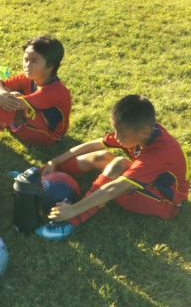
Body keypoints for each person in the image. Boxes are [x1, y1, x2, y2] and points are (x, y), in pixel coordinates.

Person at [36, 95, 189, 240]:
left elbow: (114, 189)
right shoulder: (140, 132)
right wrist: (53, 162)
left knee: (118, 165)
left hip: (165, 203)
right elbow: (95, 144)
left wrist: (74, 209)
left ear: (145, 132)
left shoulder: (159, 153)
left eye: (121, 134)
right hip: (151, 180)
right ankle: (42, 176)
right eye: (115, 131)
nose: (116, 137)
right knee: (101, 156)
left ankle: (70, 222)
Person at [0, 36, 71, 155]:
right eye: (25, 59)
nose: (27, 65)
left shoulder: (54, 91)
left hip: (46, 136)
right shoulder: (28, 77)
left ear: (50, 66)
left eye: (34, 61)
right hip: (26, 120)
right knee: (2, 96)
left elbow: (11, 102)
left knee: (10, 100)